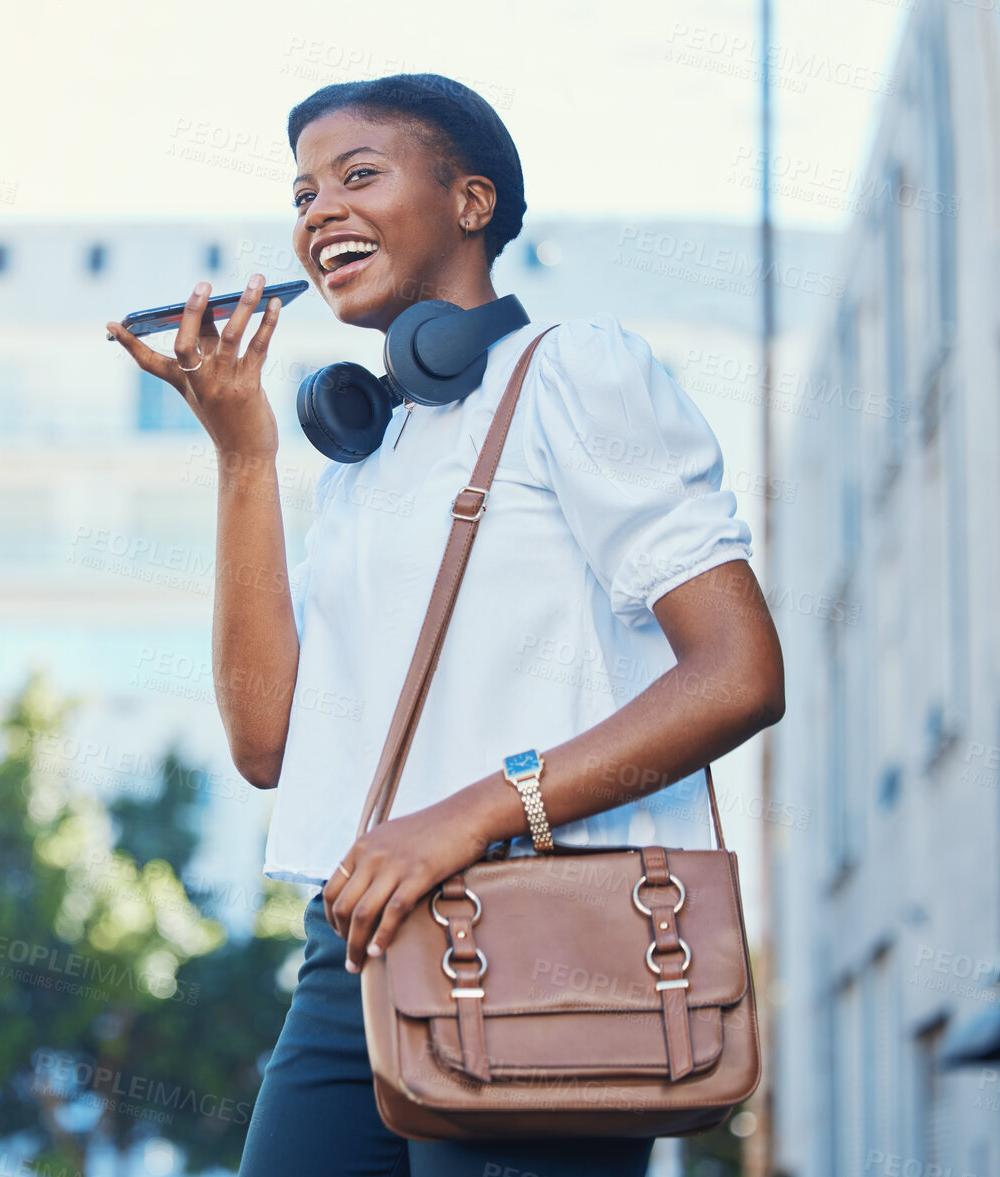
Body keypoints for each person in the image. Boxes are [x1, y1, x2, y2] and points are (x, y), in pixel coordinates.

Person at [106, 73, 785, 1176]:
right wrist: (244, 455)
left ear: (471, 202)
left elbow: (741, 671)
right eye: (303, 192)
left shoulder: (573, 370)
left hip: (545, 935)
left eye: (358, 174)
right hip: (354, 949)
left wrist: (470, 811)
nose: (319, 210)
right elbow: (271, 744)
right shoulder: (368, 457)